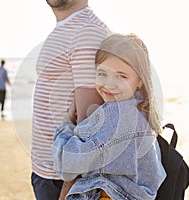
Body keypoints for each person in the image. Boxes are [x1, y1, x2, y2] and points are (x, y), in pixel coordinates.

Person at [52, 33, 166, 199]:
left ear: (140, 80)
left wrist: (66, 125)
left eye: (121, 76)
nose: (109, 84)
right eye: (102, 73)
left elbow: (67, 165)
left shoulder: (117, 117)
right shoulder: (139, 110)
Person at [31, 0, 110, 199]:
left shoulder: (86, 32)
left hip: (62, 180)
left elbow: (91, 122)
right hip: (47, 171)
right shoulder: (68, 28)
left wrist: (69, 187)